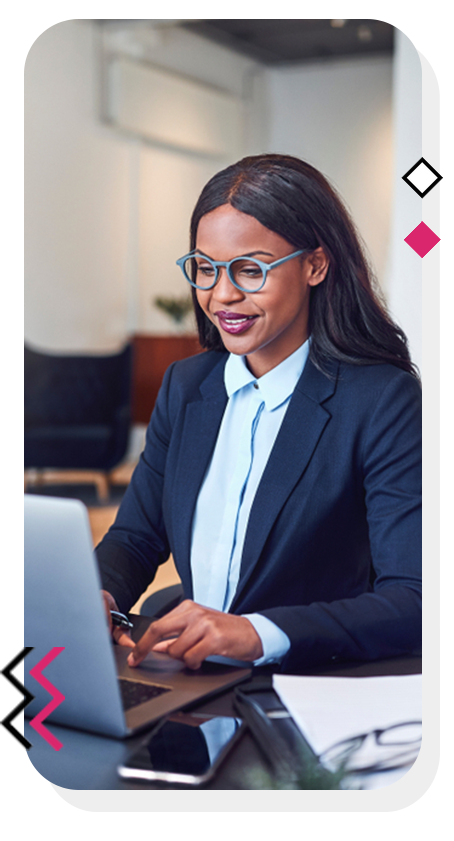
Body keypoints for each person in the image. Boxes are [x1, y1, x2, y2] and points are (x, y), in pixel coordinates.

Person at [96, 153, 421, 674]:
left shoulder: (382, 400)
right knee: (29, 726)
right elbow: (137, 535)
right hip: (192, 679)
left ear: (315, 265)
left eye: (250, 270)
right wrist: (99, 593)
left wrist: (256, 633)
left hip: (305, 687)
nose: (222, 294)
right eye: (205, 268)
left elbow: (415, 599)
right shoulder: (187, 386)